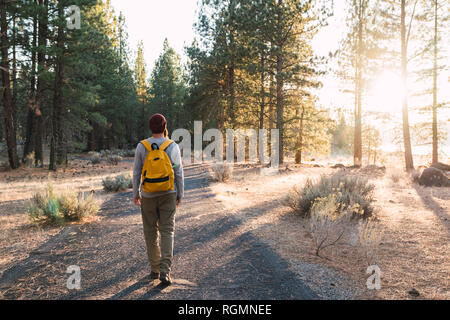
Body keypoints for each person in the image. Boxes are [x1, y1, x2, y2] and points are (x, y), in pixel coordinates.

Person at [133, 114, 184, 285]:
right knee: (167, 231)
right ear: (165, 127)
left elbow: (136, 172)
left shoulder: (142, 146)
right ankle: (165, 271)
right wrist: (180, 194)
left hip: (147, 195)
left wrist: (136, 193)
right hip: (168, 193)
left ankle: (155, 269)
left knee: (150, 232)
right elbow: (178, 172)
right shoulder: (172, 146)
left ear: (150, 127)